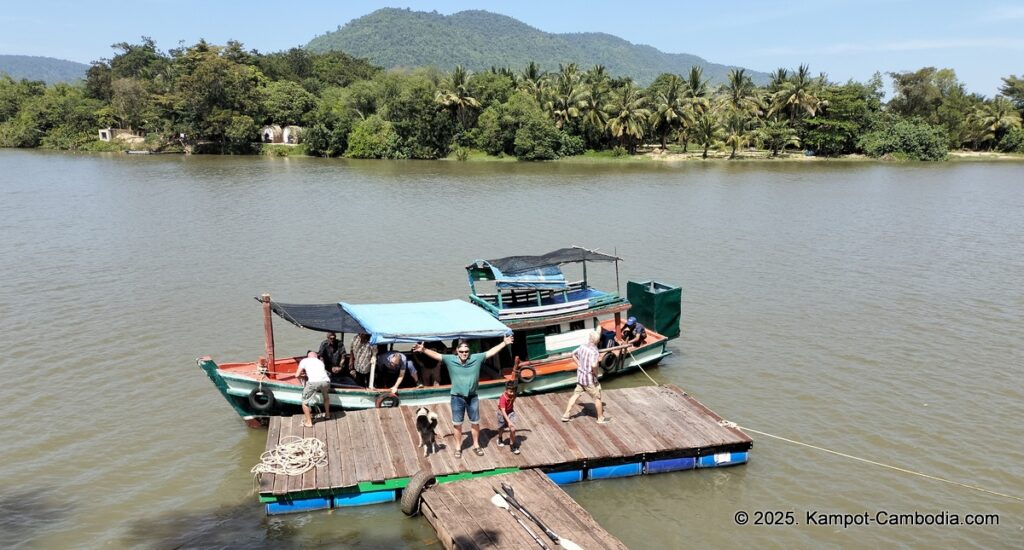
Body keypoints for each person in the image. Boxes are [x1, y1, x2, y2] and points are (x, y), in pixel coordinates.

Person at [413, 334, 514, 458]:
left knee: (475, 422)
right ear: (457, 352)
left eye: (466, 351)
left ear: (469, 352)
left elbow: (490, 352)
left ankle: (476, 446)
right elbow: (437, 355)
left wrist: (504, 343)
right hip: (457, 397)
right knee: (457, 424)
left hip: (472, 397)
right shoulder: (451, 359)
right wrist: (423, 349)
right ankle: (458, 448)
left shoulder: (476, 358)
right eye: (461, 351)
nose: (464, 353)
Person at [561, 331, 611, 424]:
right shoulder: (594, 351)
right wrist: (595, 373)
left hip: (580, 377)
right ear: (598, 340)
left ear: (590, 338)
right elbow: (593, 365)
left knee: (575, 395)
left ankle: (566, 415)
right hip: (589, 379)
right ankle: (600, 418)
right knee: (597, 398)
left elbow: (572, 354)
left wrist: (579, 364)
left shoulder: (582, 346)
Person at [296, 350, 331, 427]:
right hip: (326, 381)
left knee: (304, 402)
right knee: (326, 397)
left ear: (308, 356)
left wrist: (303, 377)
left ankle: (309, 422)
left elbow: (297, 375)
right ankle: (328, 415)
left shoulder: (304, 360)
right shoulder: (320, 362)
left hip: (313, 383)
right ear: (316, 356)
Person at [495, 381, 521, 454]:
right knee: (501, 428)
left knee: (513, 429)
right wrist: (508, 421)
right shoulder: (503, 398)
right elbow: (503, 411)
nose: (512, 393)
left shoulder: (514, 394)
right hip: (502, 413)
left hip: (510, 412)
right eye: (510, 392)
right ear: (506, 390)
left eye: (514, 391)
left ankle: (512, 446)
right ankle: (500, 438)